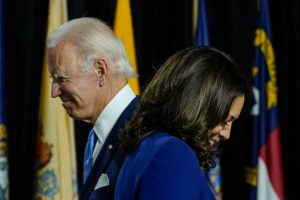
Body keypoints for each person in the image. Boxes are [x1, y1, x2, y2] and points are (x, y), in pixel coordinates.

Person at [114, 46, 249, 200]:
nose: (227, 134)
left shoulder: (151, 146)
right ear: (198, 104)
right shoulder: (172, 154)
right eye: (225, 120)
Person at [47, 17, 139, 200]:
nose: (54, 92)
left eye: (61, 78)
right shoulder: (97, 138)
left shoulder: (147, 136)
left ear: (100, 71)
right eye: (53, 79)